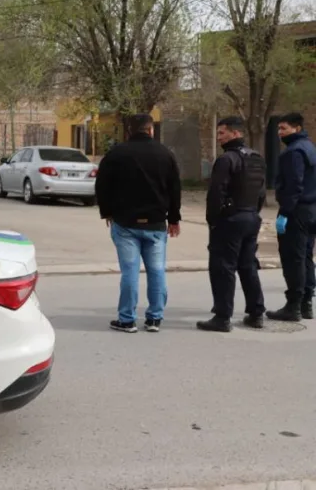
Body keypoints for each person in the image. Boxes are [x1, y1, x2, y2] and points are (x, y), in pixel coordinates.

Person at [95, 114, 182, 333]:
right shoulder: (165, 154)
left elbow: (102, 185)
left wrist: (107, 212)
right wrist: (173, 218)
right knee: (157, 271)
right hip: (155, 224)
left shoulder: (116, 154)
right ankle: (154, 319)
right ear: (151, 130)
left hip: (125, 223)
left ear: (128, 131)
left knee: (130, 271)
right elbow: (174, 189)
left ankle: (127, 319)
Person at [196, 116, 267, 332]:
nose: (219, 138)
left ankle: (222, 316)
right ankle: (256, 313)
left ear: (235, 133)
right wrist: (253, 213)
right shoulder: (256, 158)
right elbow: (261, 192)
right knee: (247, 266)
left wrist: (213, 221)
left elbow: (216, 193)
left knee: (222, 268)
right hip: (251, 217)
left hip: (230, 219)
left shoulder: (227, 159)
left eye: (222, 133)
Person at [266, 112, 316, 322]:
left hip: (296, 211)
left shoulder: (294, 152)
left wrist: (285, 212)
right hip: (311, 209)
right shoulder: (310, 148)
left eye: (284, 129)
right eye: (278, 129)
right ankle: (306, 304)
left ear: (296, 128)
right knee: (305, 257)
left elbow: (294, 185)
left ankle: (293, 305)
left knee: (293, 257)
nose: (280, 133)